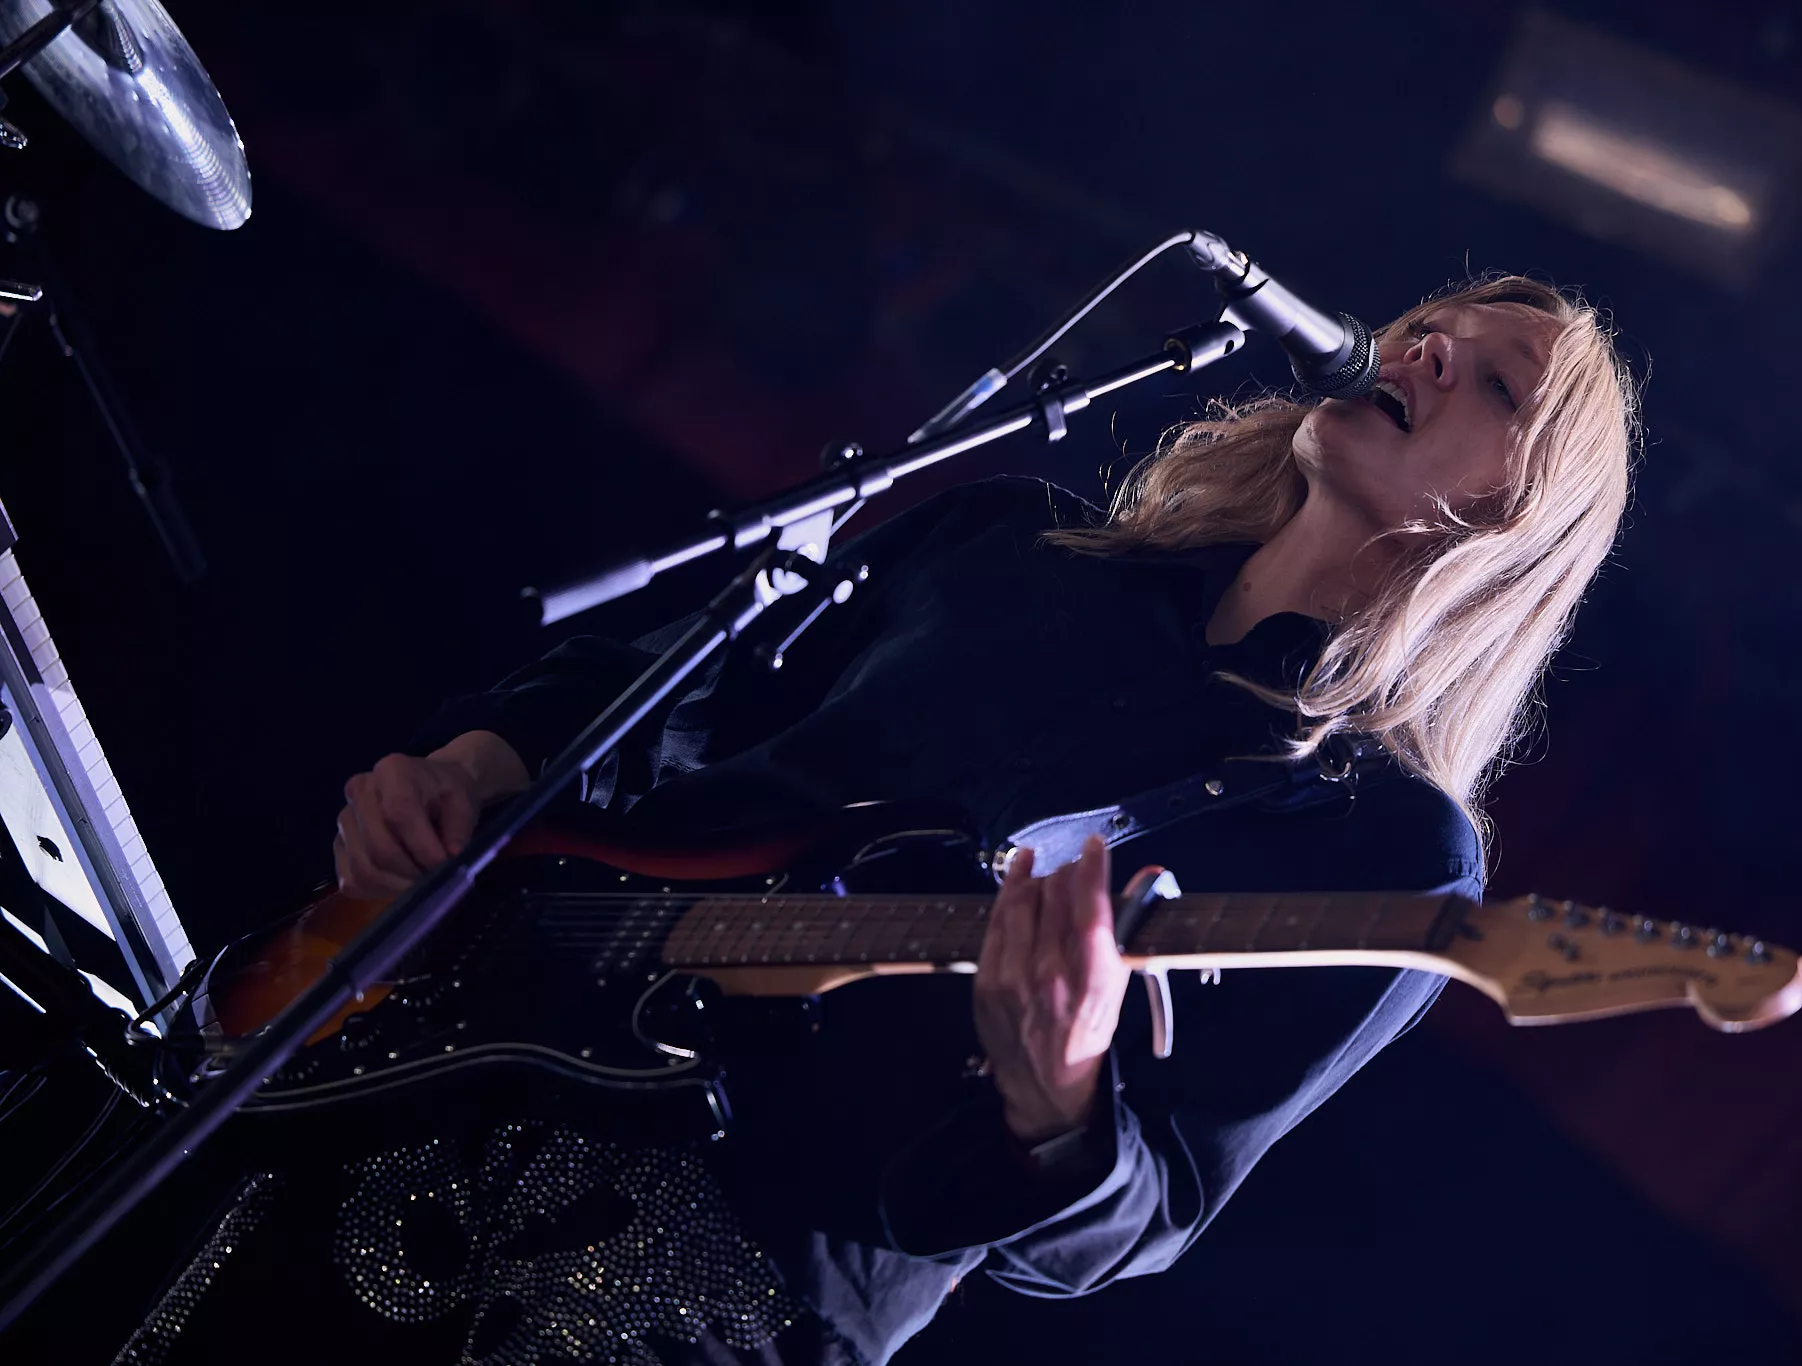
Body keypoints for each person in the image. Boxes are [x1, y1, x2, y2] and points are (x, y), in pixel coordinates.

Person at [149, 274, 1638, 1366]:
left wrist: (1057, 1099)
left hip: (712, 1275)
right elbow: (668, 685)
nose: (1428, 349)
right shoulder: (1014, 543)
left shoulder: (1383, 849)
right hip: (437, 1054)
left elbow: (1150, 1215)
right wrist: (479, 763)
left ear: (1522, 522)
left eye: (1499, 384)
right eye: (1431, 326)